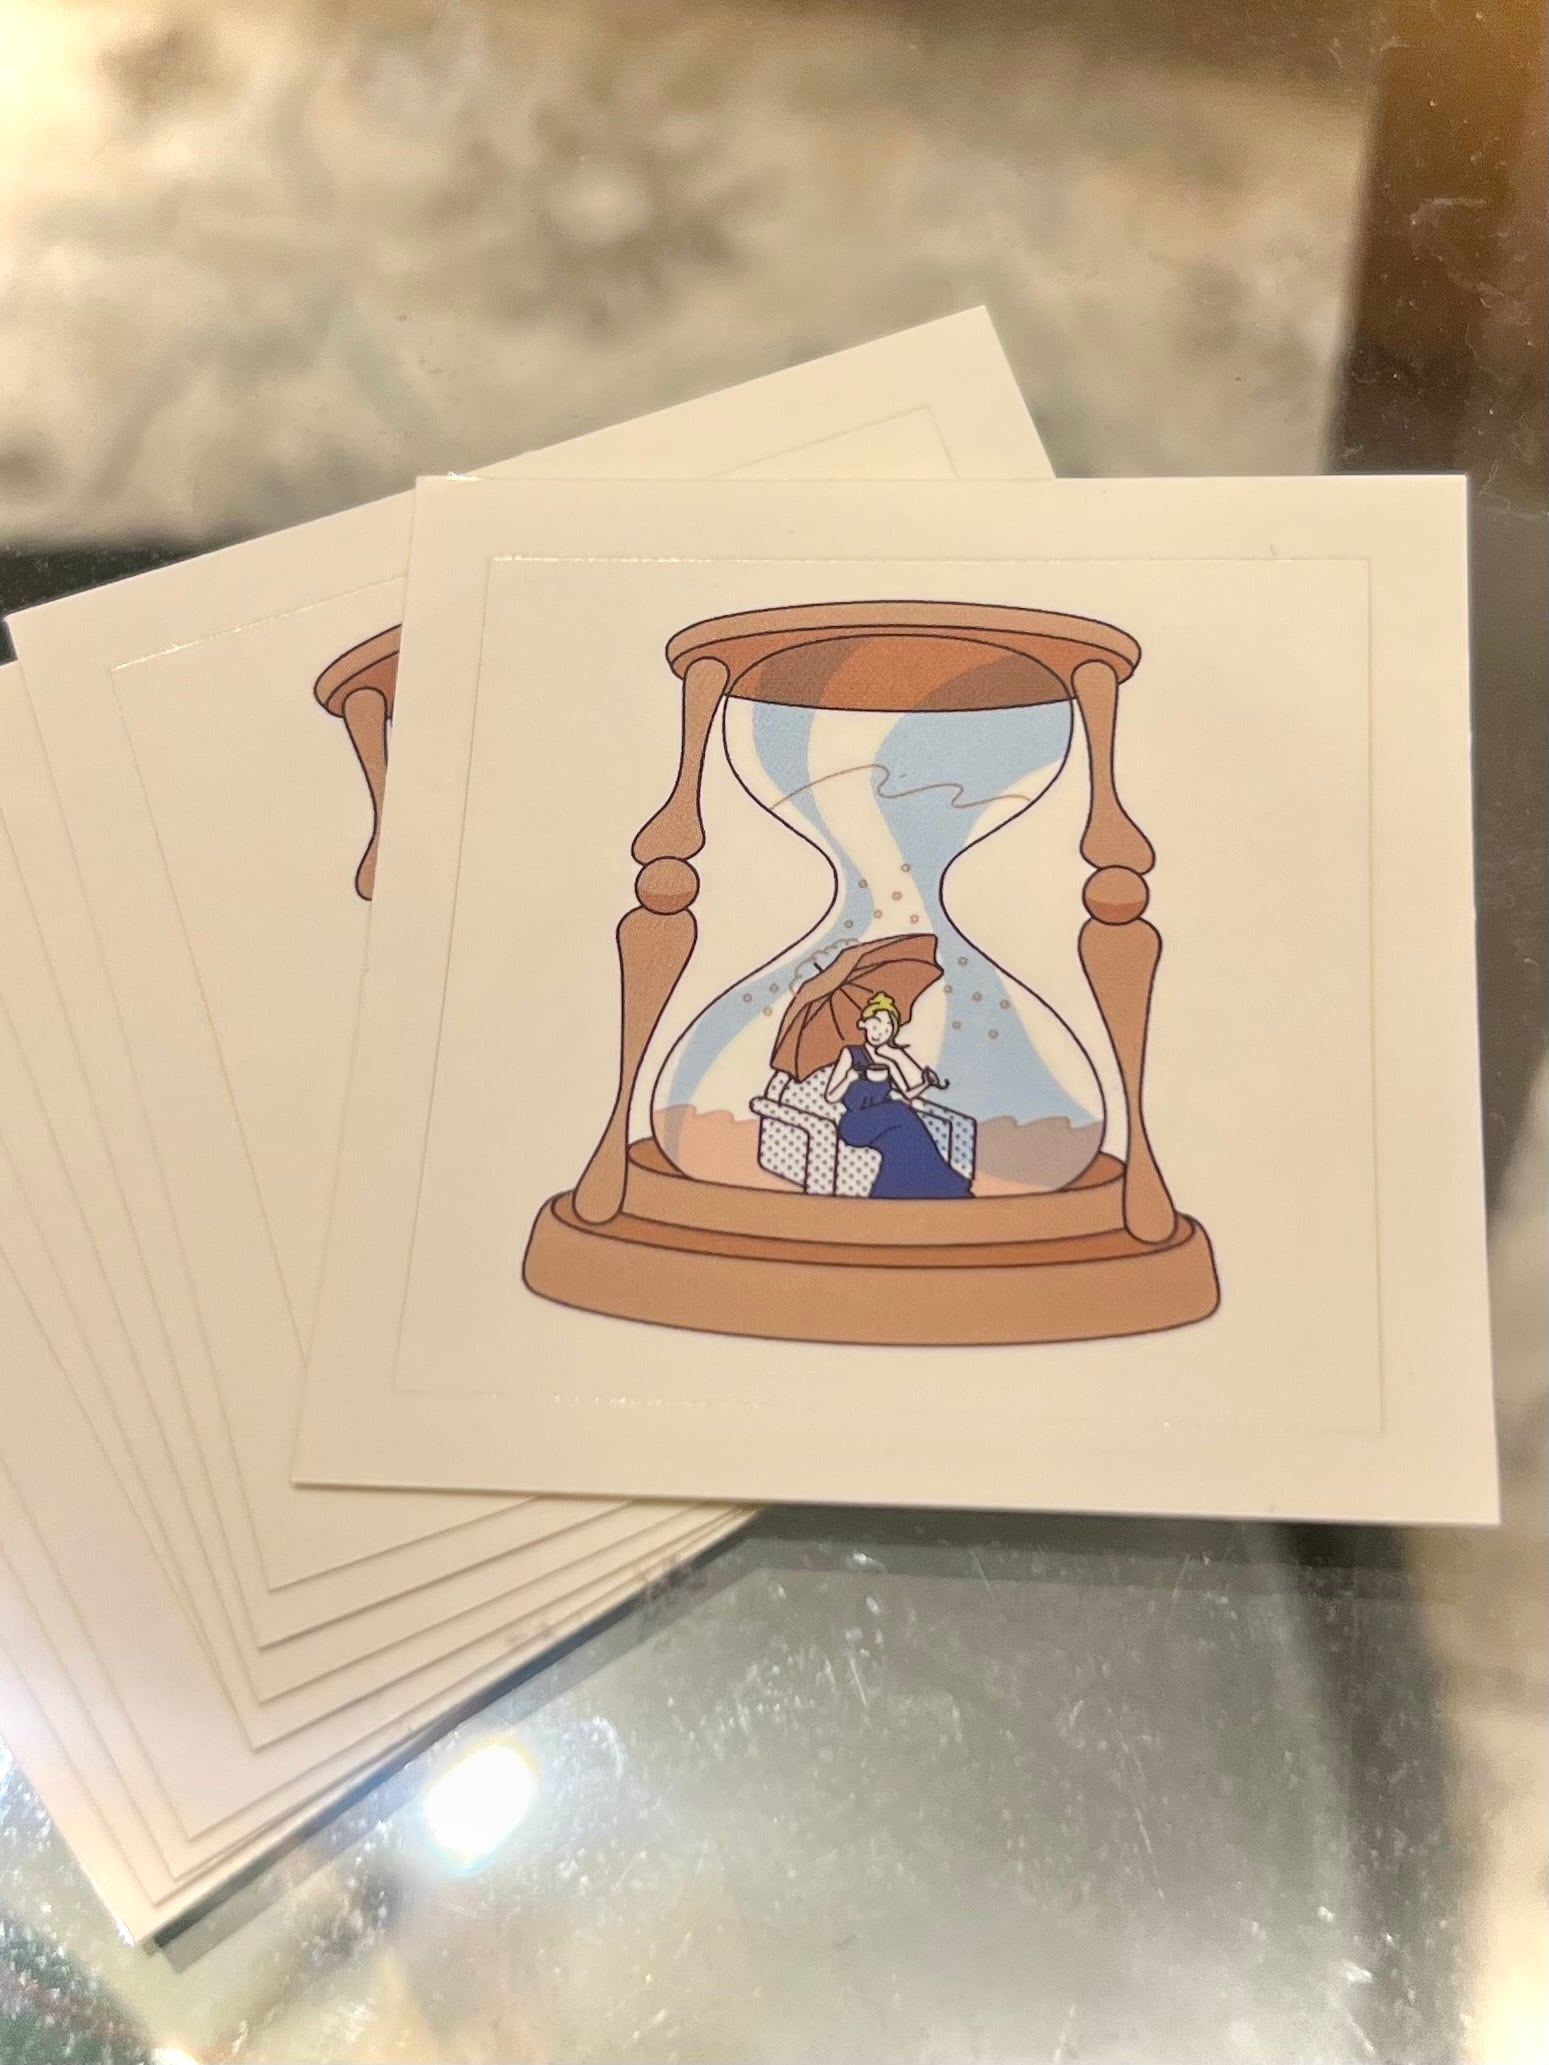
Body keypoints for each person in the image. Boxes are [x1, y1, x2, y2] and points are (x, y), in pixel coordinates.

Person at [823, 993, 970, 1200]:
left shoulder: (887, 1062)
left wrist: (926, 1083)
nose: (879, 1033)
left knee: (902, 1144)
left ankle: (892, 1194)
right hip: (856, 1124)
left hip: (885, 1124)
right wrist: (849, 1078)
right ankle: (946, 1185)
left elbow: (907, 1094)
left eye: (886, 1029)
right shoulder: (851, 1054)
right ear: (863, 1024)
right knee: (900, 1110)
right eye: (875, 1025)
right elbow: (830, 1096)